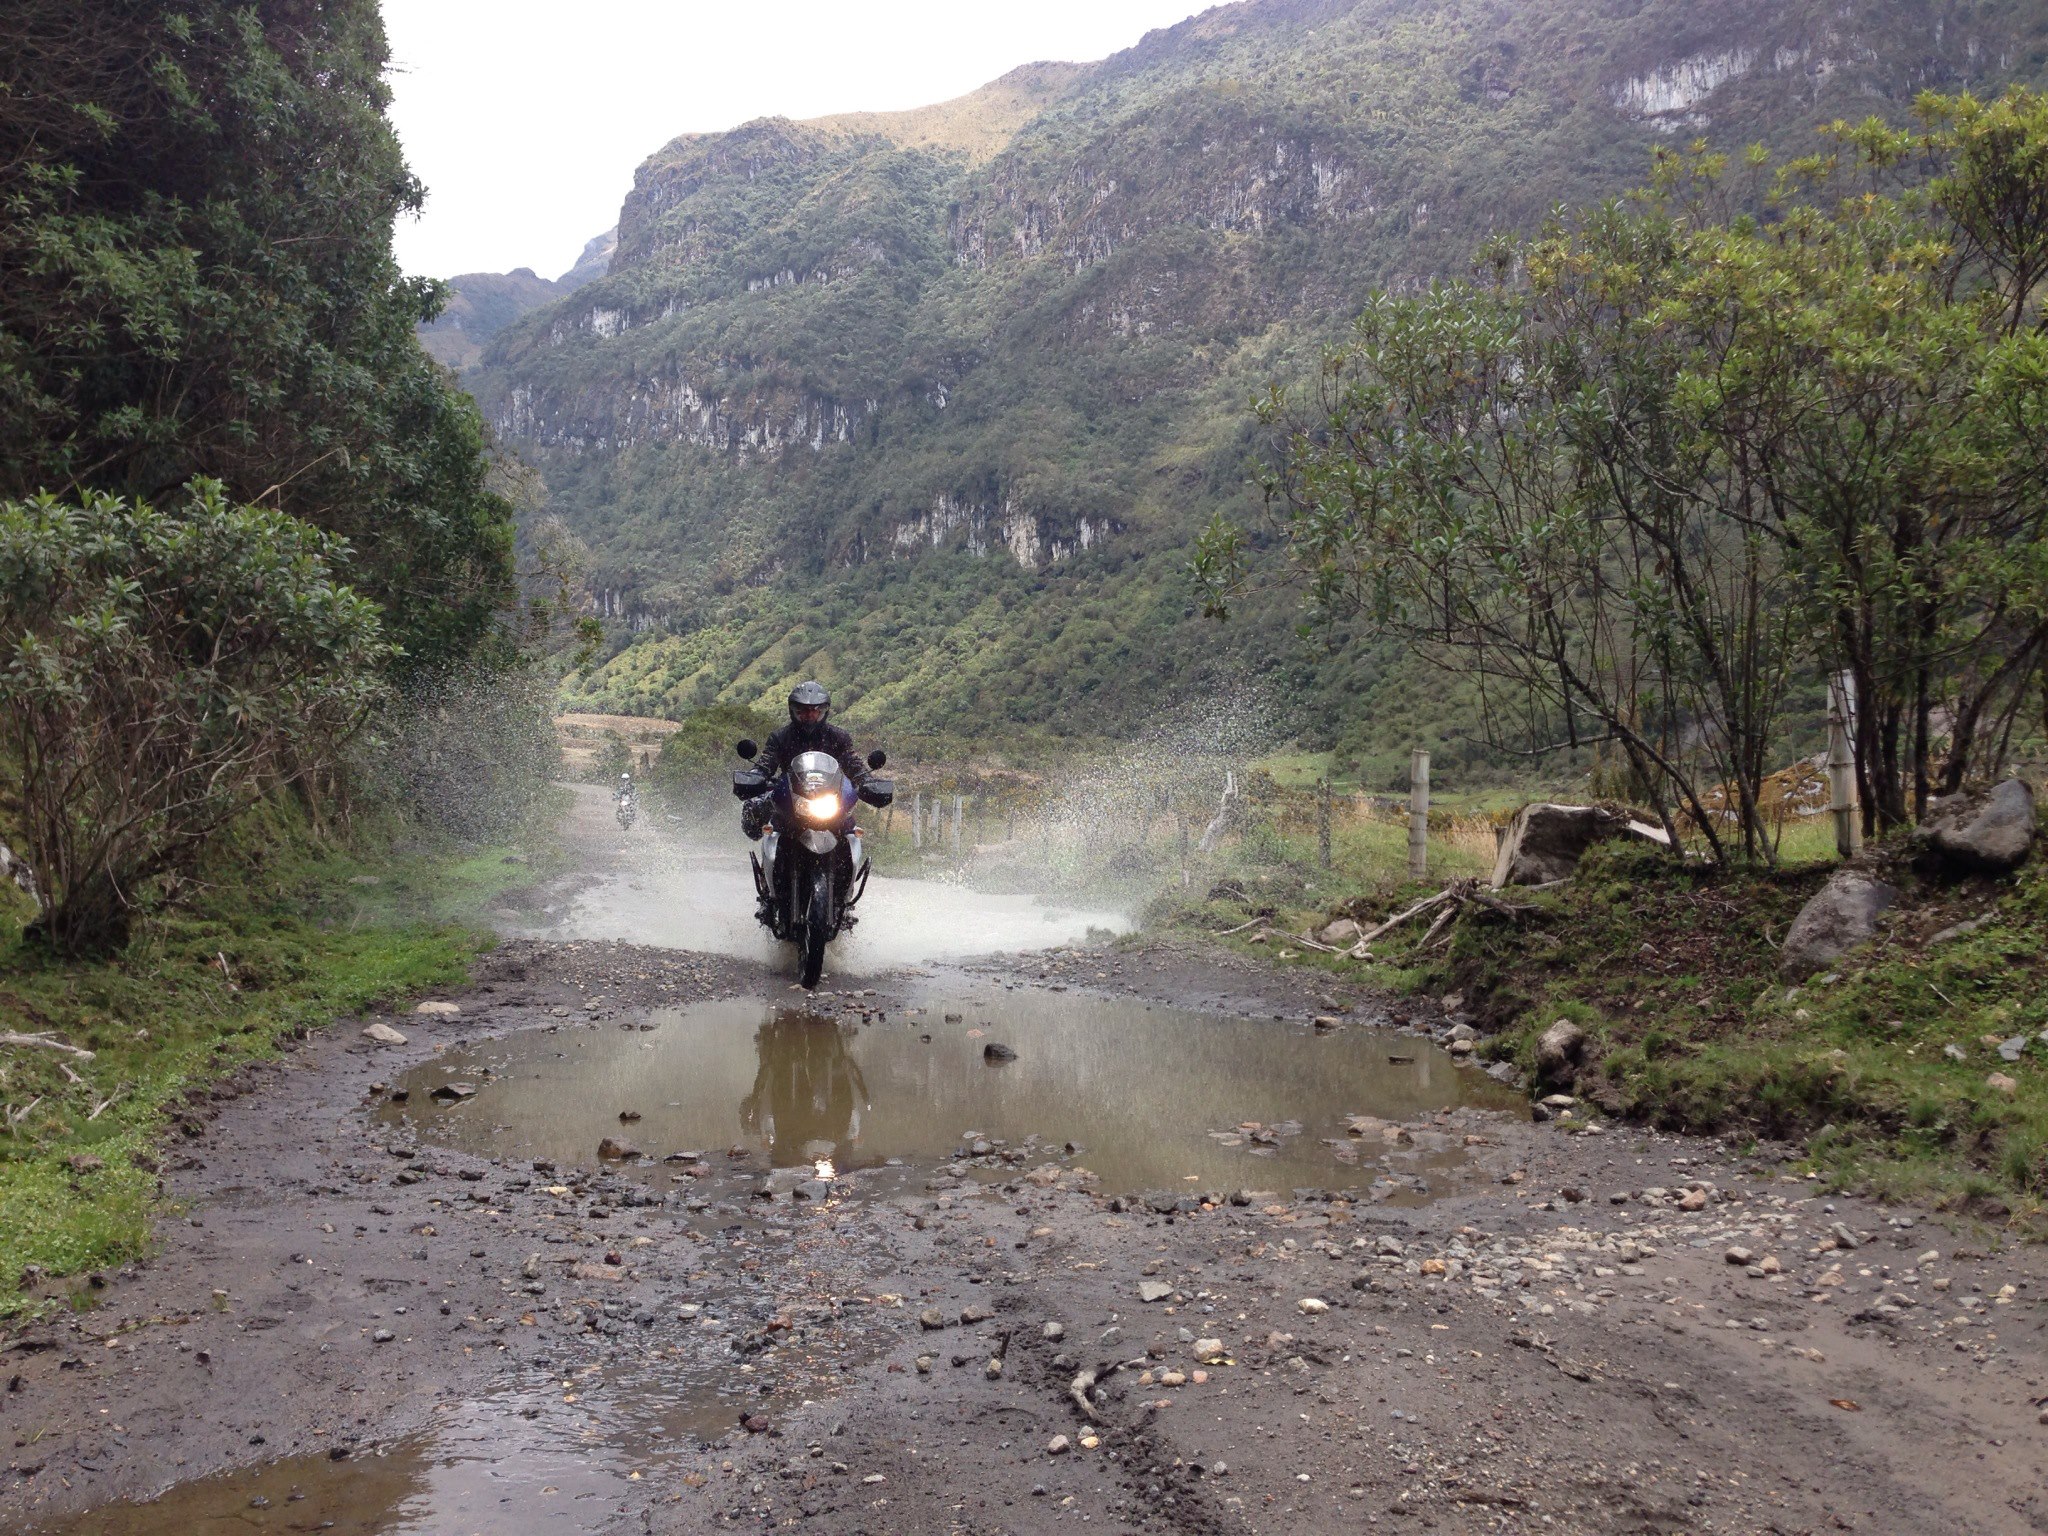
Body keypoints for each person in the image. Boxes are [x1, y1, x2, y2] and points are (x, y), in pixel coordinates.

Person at [742, 681, 873, 839]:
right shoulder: (780, 737)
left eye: (815, 710)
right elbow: (767, 762)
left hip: (829, 794)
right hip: (791, 794)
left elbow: (852, 762)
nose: (810, 715)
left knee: (849, 826)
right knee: (759, 809)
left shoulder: (838, 737)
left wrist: (866, 779)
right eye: (804, 711)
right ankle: (771, 855)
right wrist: (756, 775)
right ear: (794, 711)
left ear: (823, 712)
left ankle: (853, 859)